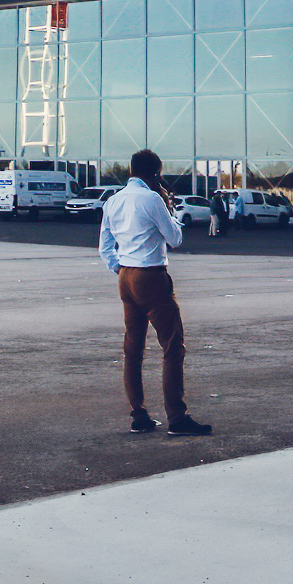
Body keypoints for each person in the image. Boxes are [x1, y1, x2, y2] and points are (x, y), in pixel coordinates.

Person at [100, 149, 209, 436]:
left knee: (133, 349)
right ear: (156, 173)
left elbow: (104, 246)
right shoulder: (152, 199)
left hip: (125, 275)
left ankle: (139, 415)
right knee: (173, 347)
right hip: (151, 275)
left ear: (131, 170)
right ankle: (177, 417)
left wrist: (122, 269)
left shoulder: (113, 201)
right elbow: (175, 239)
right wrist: (169, 207)